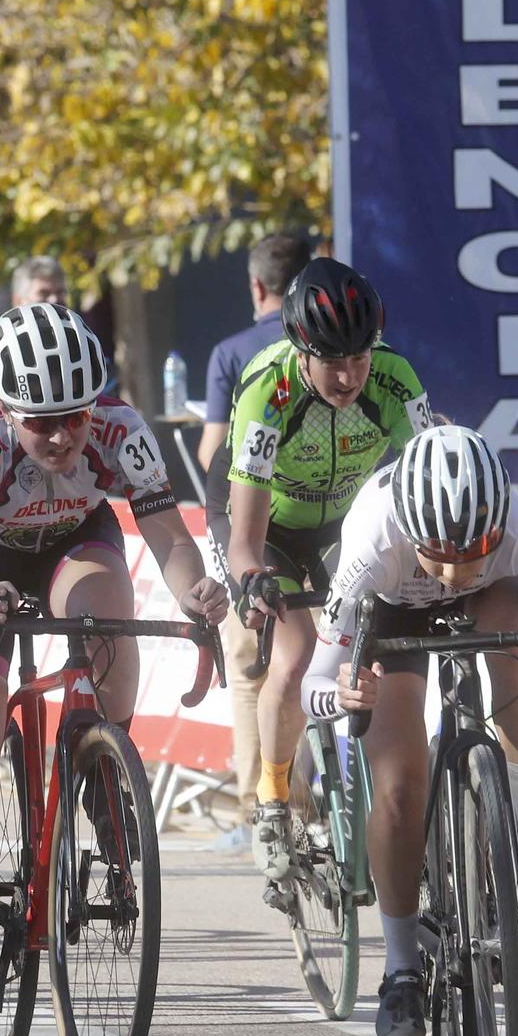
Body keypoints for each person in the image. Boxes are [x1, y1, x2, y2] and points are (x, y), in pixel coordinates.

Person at [0, 302, 228, 1014]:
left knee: (107, 615)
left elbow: (169, 538)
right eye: (40, 421)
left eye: (75, 417)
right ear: (6, 412)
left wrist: (195, 592)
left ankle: (96, 757)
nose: (60, 437)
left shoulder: (123, 430)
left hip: (72, 542)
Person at [305, 426, 518, 1036]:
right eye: (439, 552)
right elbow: (312, 681)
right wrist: (343, 695)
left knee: (513, 628)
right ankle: (400, 967)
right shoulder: (373, 539)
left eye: (474, 548)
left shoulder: (517, 526)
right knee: (397, 785)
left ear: (498, 520)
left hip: (492, 605)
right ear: (410, 531)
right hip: (390, 611)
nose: (453, 569)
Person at [220, 257, 432, 892]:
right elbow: (245, 540)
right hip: (272, 529)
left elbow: (425, 481)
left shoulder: (395, 380)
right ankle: (275, 799)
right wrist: (252, 583)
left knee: (383, 631)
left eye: (359, 358)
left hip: (347, 526)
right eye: (332, 360)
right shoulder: (268, 391)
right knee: (295, 651)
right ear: (299, 349)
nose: (347, 376)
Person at [196, 231, 312, 850]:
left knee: (253, 668)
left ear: (256, 287)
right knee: (332, 661)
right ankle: (329, 801)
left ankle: (260, 811)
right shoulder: (340, 344)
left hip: (256, 529)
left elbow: (215, 453)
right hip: (330, 521)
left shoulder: (231, 351)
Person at [0, 256, 68, 417]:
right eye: (44, 293)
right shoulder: (3, 342)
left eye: (60, 292)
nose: (54, 300)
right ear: (18, 301)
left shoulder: (75, 334)